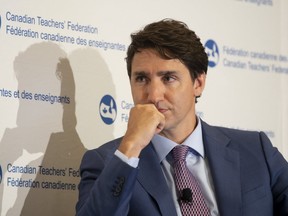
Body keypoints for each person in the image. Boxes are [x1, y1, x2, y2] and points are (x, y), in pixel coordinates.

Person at [76, 19, 288, 216]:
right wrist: (131, 146)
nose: (153, 95)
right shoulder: (108, 163)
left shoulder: (256, 150)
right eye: (141, 78)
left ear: (198, 83)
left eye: (168, 78)